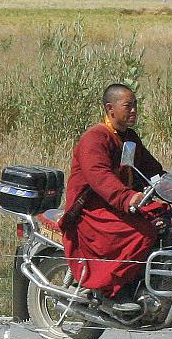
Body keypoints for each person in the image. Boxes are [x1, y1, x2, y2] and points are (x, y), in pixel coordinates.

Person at [59, 83, 165, 312]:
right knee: (142, 232)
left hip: (117, 205)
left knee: (166, 219)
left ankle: (147, 283)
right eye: (128, 105)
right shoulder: (94, 138)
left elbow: (152, 170)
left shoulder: (129, 138)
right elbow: (100, 177)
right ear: (110, 108)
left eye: (136, 105)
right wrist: (128, 198)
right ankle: (113, 290)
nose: (134, 110)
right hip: (92, 209)